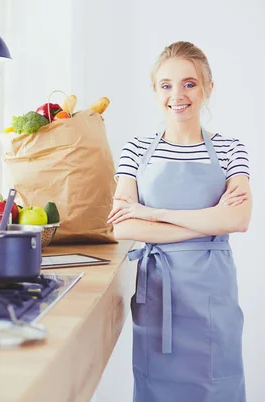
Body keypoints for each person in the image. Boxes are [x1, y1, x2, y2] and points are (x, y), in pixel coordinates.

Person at [107, 41, 251, 402]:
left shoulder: (232, 148)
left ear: (208, 89)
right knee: (158, 387)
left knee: (217, 384)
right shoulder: (136, 148)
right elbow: (123, 226)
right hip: (160, 291)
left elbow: (240, 218)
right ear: (156, 91)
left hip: (212, 295)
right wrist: (211, 221)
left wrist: (154, 213)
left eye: (189, 83)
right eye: (166, 85)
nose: (178, 95)